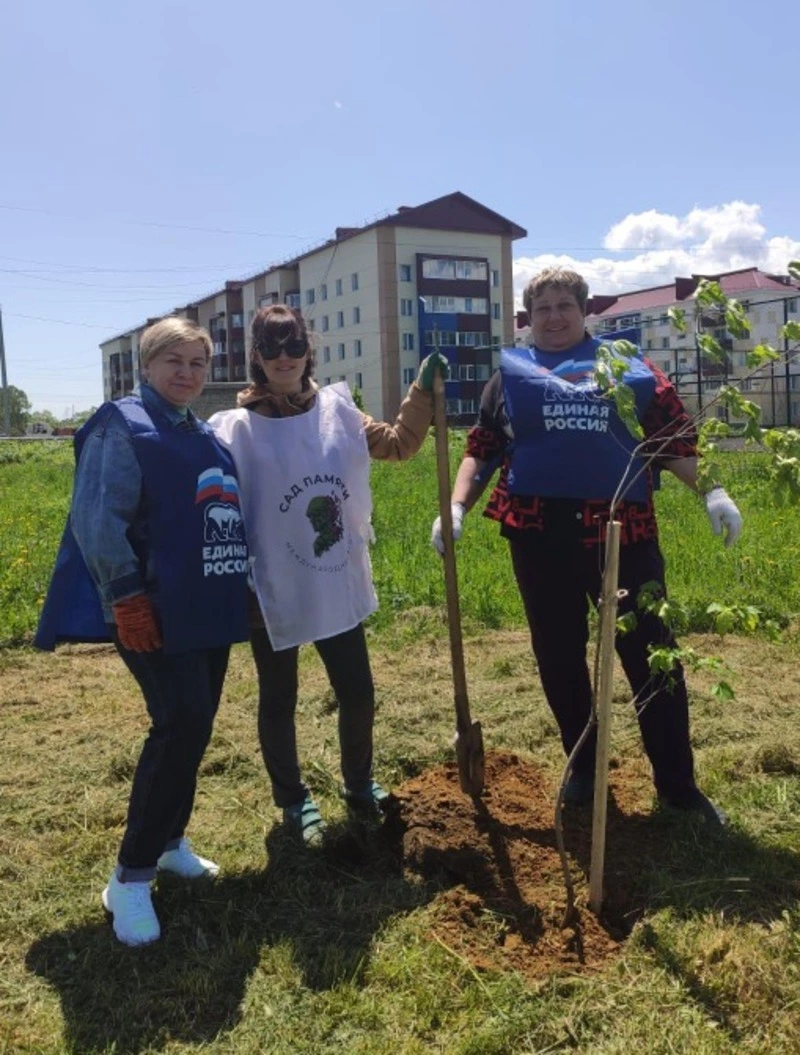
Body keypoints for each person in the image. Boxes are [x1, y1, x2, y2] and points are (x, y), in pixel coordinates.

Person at [431, 267, 743, 825]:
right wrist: (456, 505)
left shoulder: (631, 368)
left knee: (652, 657)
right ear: (530, 317)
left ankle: (678, 786)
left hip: (624, 532)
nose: (553, 317)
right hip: (538, 534)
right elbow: (483, 448)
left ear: (584, 311)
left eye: (564, 306)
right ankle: (584, 765)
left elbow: (673, 441)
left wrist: (712, 489)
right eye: (542, 307)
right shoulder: (511, 378)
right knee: (558, 654)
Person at [35, 317, 250, 945]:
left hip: (205, 604)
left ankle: (170, 842)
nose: (187, 374)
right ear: (145, 366)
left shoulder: (202, 433)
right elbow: (98, 519)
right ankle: (129, 879)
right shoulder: (122, 425)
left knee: (198, 726)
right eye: (173, 361)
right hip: (150, 607)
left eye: (198, 363)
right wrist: (126, 598)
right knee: (178, 723)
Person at [209, 304, 448, 846]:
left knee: (358, 690)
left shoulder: (339, 412)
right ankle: (292, 799)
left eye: (293, 345)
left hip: (331, 573)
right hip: (266, 589)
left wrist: (421, 392)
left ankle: (358, 784)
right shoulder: (231, 429)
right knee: (279, 696)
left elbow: (399, 444)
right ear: (256, 358)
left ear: (307, 350)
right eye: (271, 348)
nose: (284, 358)